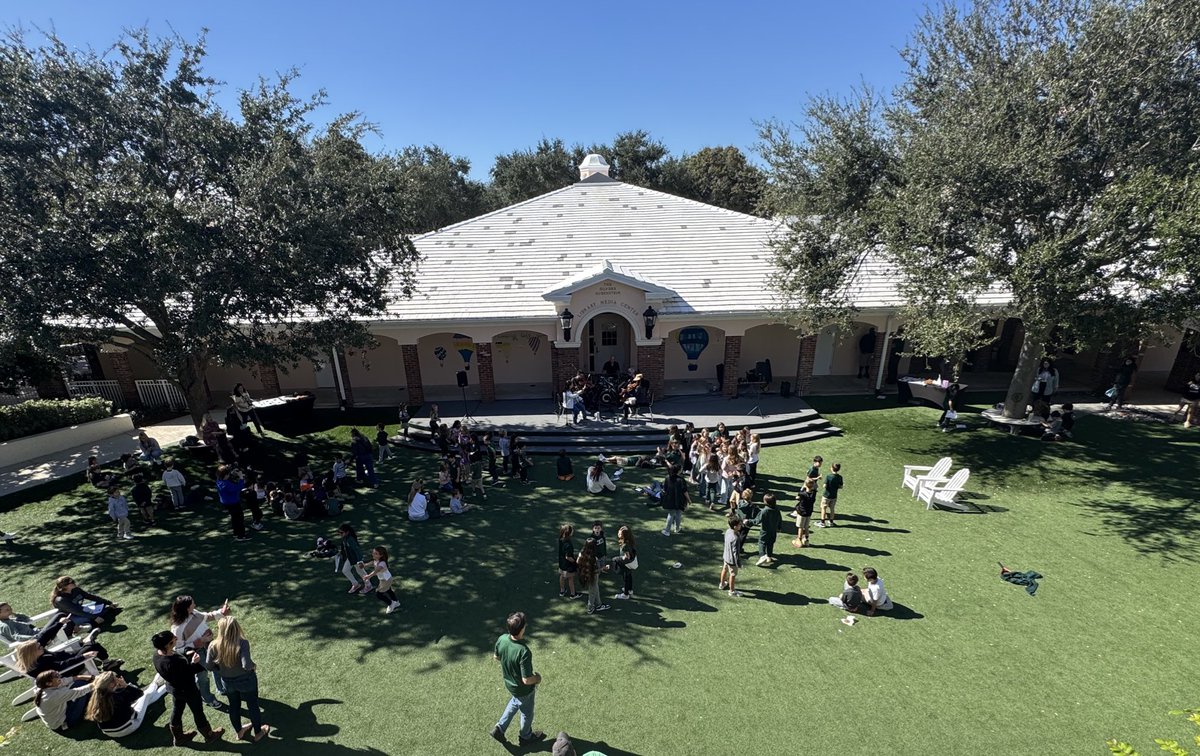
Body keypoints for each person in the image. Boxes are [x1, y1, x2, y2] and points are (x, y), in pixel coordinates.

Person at [151, 630, 225, 746]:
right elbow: (187, 674)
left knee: (177, 710)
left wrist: (186, 651)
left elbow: (176, 653)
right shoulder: (173, 662)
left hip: (175, 689)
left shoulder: (157, 655)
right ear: (167, 645)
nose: (176, 638)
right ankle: (209, 735)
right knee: (198, 711)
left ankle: (178, 737)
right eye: (173, 639)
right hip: (188, 690)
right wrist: (195, 662)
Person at [205, 617, 271, 742]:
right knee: (253, 705)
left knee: (234, 706)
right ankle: (258, 732)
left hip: (227, 682)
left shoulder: (213, 645)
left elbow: (208, 666)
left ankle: (239, 731)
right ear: (236, 628)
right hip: (246, 680)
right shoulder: (242, 643)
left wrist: (220, 670)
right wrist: (253, 666)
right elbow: (246, 665)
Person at [489, 611, 545, 746]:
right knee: (527, 713)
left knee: (515, 702)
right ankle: (525, 737)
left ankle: (500, 728)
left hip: (510, 685)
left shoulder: (502, 639)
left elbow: (496, 657)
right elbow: (526, 680)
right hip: (524, 690)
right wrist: (537, 678)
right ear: (521, 630)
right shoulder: (523, 651)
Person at [170, 596, 231, 711]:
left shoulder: (194, 613)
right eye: (193, 603)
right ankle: (208, 698)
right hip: (197, 653)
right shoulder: (177, 629)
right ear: (187, 608)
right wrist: (200, 641)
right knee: (203, 677)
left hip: (209, 646)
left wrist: (222, 612)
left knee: (217, 666)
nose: (195, 605)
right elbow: (179, 649)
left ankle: (221, 688)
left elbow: (208, 617)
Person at [14, 614, 115, 677]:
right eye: (39, 647)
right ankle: (104, 660)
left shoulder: (33, 656)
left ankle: (89, 643)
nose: (41, 646)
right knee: (92, 646)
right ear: (32, 653)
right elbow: (62, 666)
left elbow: (44, 636)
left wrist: (59, 624)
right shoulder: (40, 665)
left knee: (91, 644)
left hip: (67, 658)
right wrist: (83, 657)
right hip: (70, 669)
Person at [86, 670, 163, 737]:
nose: (117, 678)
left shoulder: (94, 698)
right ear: (111, 684)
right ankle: (161, 684)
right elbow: (140, 694)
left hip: (109, 732)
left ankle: (159, 684)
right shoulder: (118, 695)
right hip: (128, 727)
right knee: (146, 696)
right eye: (115, 678)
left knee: (144, 702)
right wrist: (125, 685)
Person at [51, 576, 122, 629]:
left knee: (101, 603)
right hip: (70, 617)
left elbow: (90, 596)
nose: (74, 583)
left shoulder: (76, 589)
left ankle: (105, 611)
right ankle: (93, 622)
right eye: (72, 582)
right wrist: (95, 617)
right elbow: (77, 612)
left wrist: (109, 603)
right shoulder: (61, 600)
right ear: (65, 586)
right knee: (88, 617)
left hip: (80, 608)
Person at [359, 546, 401, 614]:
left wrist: (368, 576)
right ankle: (396, 602)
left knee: (379, 594)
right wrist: (365, 565)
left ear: (381, 555)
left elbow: (376, 571)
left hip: (386, 580)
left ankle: (391, 603)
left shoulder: (382, 564)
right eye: (373, 553)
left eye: (376, 553)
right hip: (386, 579)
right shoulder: (376, 560)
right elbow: (373, 563)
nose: (373, 554)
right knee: (389, 590)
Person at [576, 538, 610, 615]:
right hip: (592, 576)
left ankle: (599, 604)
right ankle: (590, 608)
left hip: (584, 574)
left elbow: (577, 562)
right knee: (592, 592)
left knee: (595, 588)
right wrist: (603, 568)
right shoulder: (594, 558)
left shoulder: (581, 553)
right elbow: (595, 571)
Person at [216, 466, 249, 542]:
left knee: (234, 518)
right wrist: (241, 478)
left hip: (226, 502)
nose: (229, 475)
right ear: (225, 475)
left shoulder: (219, 480)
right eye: (228, 474)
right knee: (239, 518)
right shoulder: (226, 485)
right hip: (233, 503)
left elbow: (229, 479)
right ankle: (241, 535)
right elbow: (238, 487)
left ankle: (236, 532)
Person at [750, 493, 783, 566]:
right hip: (773, 531)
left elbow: (757, 520)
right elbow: (780, 519)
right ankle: (769, 556)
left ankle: (762, 556)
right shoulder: (777, 509)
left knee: (762, 542)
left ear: (766, 502)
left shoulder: (764, 511)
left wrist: (748, 521)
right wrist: (779, 527)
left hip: (765, 531)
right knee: (770, 543)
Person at [659, 465, 689, 536]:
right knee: (678, 514)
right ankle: (677, 528)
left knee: (671, 514)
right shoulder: (681, 480)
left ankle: (667, 530)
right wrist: (689, 500)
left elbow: (664, 489)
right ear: (678, 471)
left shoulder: (667, 478)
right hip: (680, 500)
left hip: (670, 499)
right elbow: (685, 491)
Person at [336, 524, 366, 594]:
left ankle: (368, 585)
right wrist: (341, 553)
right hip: (350, 558)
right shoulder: (345, 538)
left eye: (341, 532)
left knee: (361, 572)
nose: (340, 534)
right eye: (339, 532)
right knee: (345, 570)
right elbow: (345, 548)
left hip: (356, 559)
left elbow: (357, 550)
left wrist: (360, 561)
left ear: (347, 532)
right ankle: (356, 584)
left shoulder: (350, 539)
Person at [610, 526, 638, 600]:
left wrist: (618, 559)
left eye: (620, 534)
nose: (618, 534)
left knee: (625, 577)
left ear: (624, 535)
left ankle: (625, 594)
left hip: (626, 564)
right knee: (629, 576)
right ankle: (630, 590)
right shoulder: (631, 541)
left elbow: (626, 557)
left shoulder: (625, 545)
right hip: (631, 562)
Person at [719, 517, 742, 597]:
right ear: (735, 526)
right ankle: (731, 591)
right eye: (739, 524)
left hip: (726, 556)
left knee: (724, 569)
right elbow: (735, 553)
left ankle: (722, 584)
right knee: (733, 574)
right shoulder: (735, 538)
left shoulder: (728, 531)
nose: (741, 526)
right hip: (732, 560)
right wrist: (738, 563)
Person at [791, 479, 817, 548]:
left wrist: (803, 486)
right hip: (809, 512)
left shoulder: (803, 494)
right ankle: (806, 540)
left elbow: (799, 495)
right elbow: (813, 489)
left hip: (802, 512)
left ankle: (799, 540)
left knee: (800, 527)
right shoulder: (814, 493)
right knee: (806, 526)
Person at [818, 462, 844, 528]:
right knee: (832, 509)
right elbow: (841, 486)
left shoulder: (829, 476)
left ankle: (822, 522)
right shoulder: (840, 477)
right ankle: (831, 522)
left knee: (823, 508)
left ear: (832, 468)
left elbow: (824, 485)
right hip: (834, 496)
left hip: (826, 495)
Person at [557, 525, 580, 599]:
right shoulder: (568, 544)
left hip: (561, 562)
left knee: (562, 576)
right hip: (568, 565)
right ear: (569, 533)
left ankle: (562, 591)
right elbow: (568, 557)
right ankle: (573, 594)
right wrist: (575, 562)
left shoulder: (561, 539)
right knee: (570, 578)